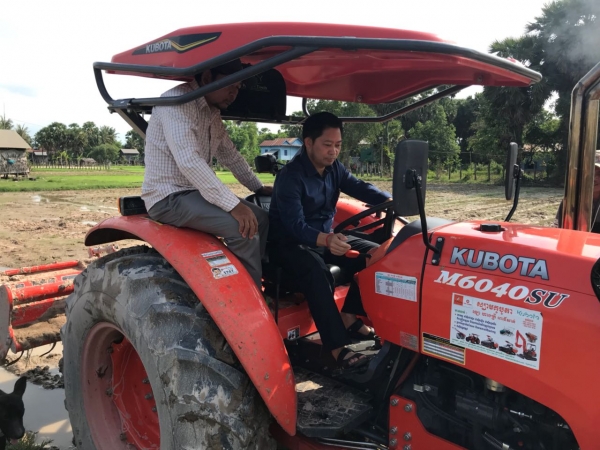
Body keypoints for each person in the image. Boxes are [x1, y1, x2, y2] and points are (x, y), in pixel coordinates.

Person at [268, 112, 392, 370]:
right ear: (308, 142)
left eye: (338, 145)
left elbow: (359, 187)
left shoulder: (335, 169)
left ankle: (349, 315)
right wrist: (326, 239)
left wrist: (389, 200)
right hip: (288, 245)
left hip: (324, 239)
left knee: (379, 254)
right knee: (317, 271)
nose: (333, 151)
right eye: (327, 144)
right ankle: (337, 347)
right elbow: (294, 226)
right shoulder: (290, 177)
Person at [141, 59, 271, 289]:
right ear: (208, 77)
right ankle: (248, 298)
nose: (234, 94)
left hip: (193, 193)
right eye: (230, 85)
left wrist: (258, 187)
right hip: (168, 197)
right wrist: (234, 206)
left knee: (260, 217)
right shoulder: (177, 102)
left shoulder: (212, 112)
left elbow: (230, 155)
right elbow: (189, 161)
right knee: (243, 229)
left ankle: (261, 277)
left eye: (238, 87)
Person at [555, 162, 600, 232]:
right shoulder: (571, 201)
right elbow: (559, 226)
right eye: (591, 174)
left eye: (599, 174)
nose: (594, 179)